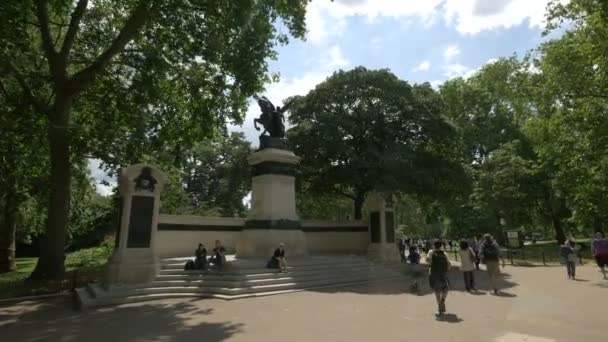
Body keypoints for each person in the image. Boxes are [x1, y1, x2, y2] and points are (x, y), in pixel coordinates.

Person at [427, 240, 451, 315]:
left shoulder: (431, 252)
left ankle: (439, 307)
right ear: (441, 246)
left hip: (434, 274)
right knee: (445, 288)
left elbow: (428, 261)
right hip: (442, 274)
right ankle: (443, 300)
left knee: (437, 291)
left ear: (434, 245)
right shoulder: (444, 253)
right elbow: (449, 264)